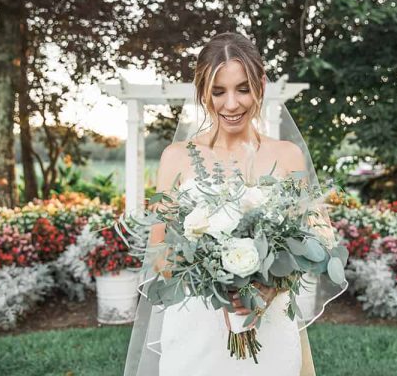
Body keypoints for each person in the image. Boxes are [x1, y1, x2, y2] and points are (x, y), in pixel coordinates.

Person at [123, 32, 344, 376]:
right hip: (196, 330)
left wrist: (271, 286)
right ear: (202, 92)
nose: (231, 104)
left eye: (242, 89)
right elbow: (160, 255)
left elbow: (316, 240)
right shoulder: (177, 158)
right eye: (218, 91)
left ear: (261, 84)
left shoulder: (287, 156)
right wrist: (212, 277)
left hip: (269, 327)